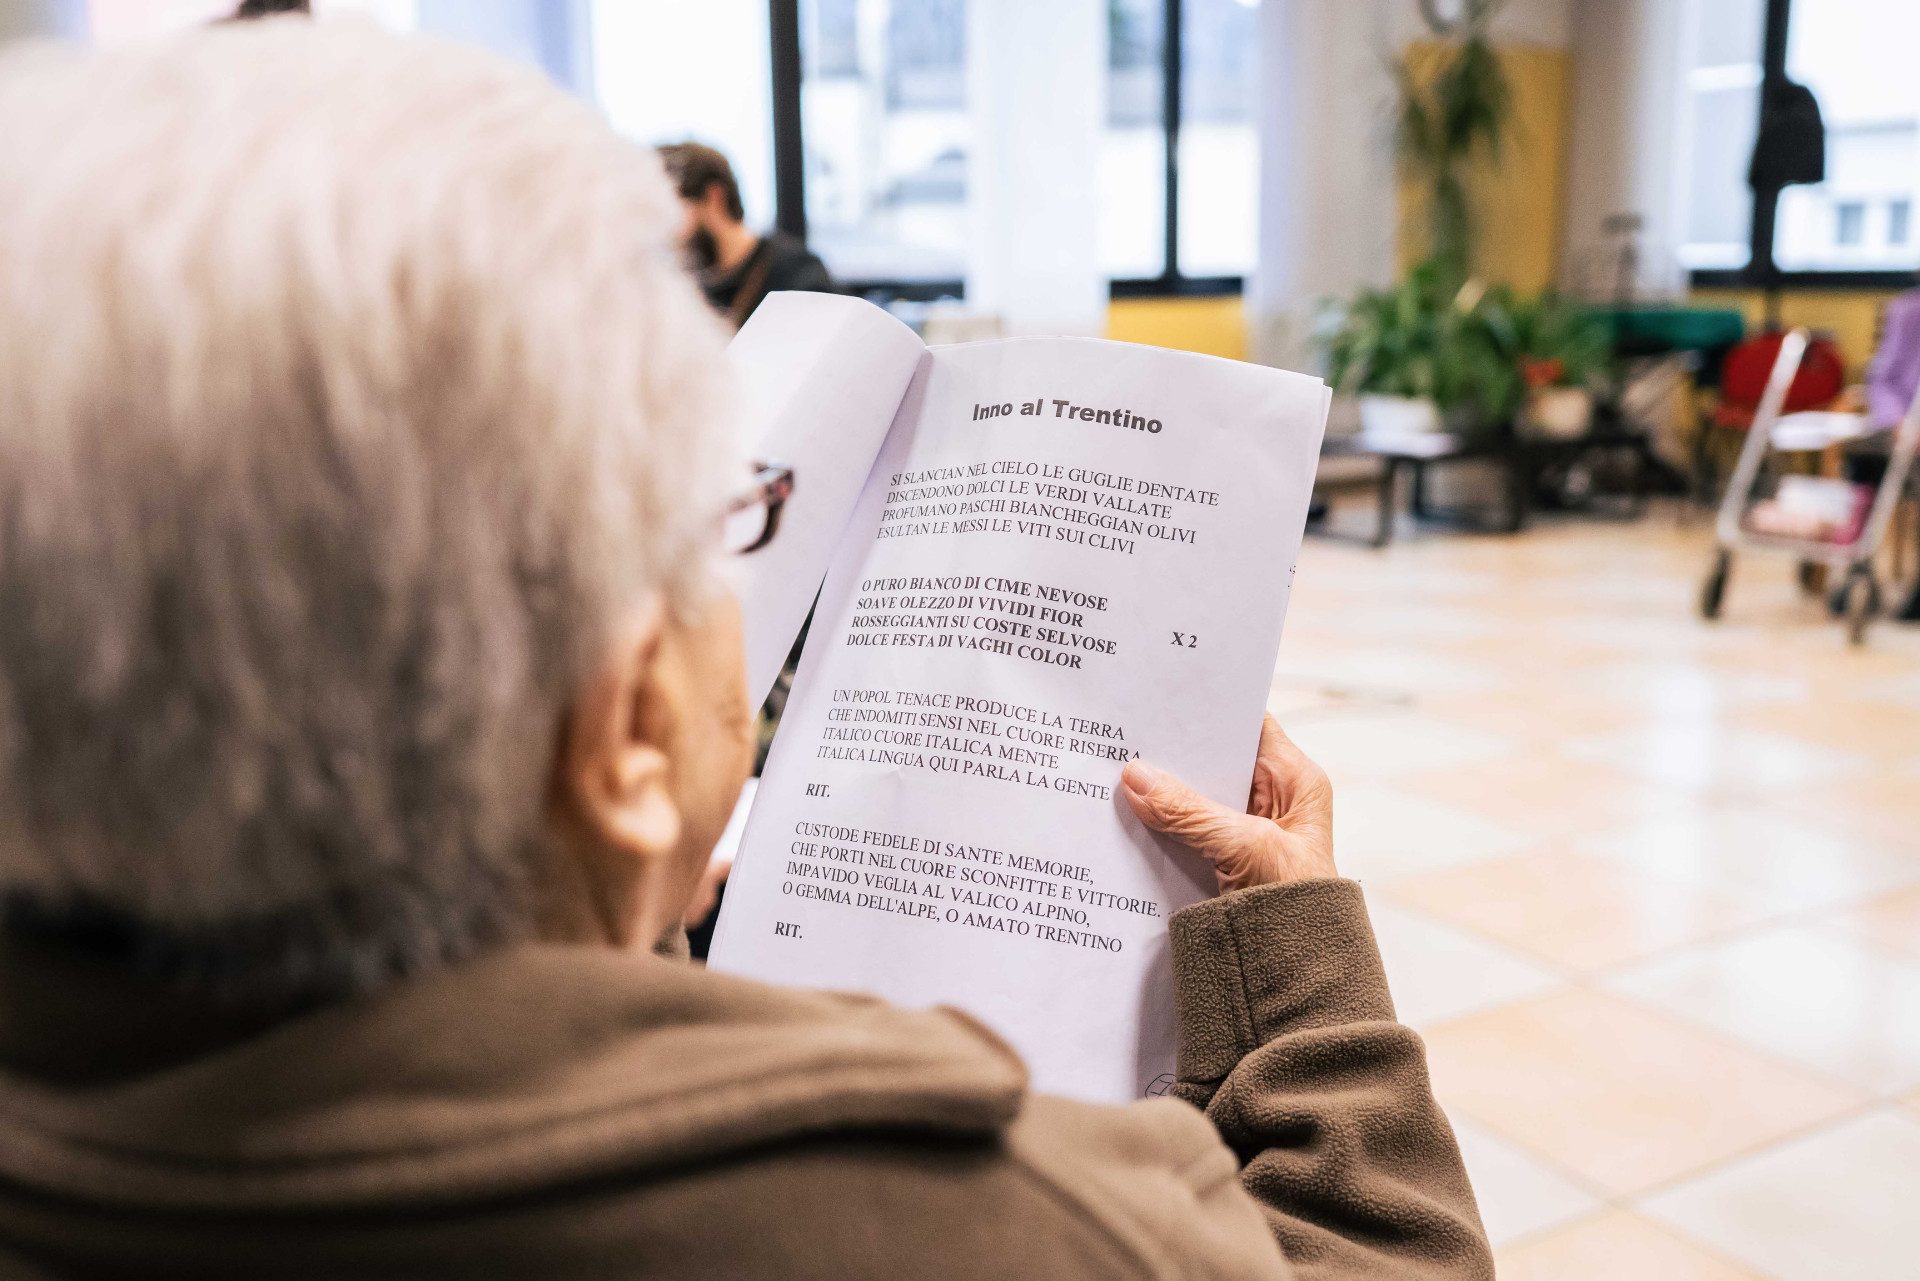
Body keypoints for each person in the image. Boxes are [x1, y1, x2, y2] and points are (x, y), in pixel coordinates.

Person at [0, 23, 1490, 1280]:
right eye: (734, 522)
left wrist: (581, 903)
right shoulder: (959, 1216)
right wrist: (1309, 975)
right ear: (630, 730)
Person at [658, 140, 833, 328]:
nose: (662, 228)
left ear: (713, 197)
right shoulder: (685, 284)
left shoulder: (799, 275)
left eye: (668, 208)